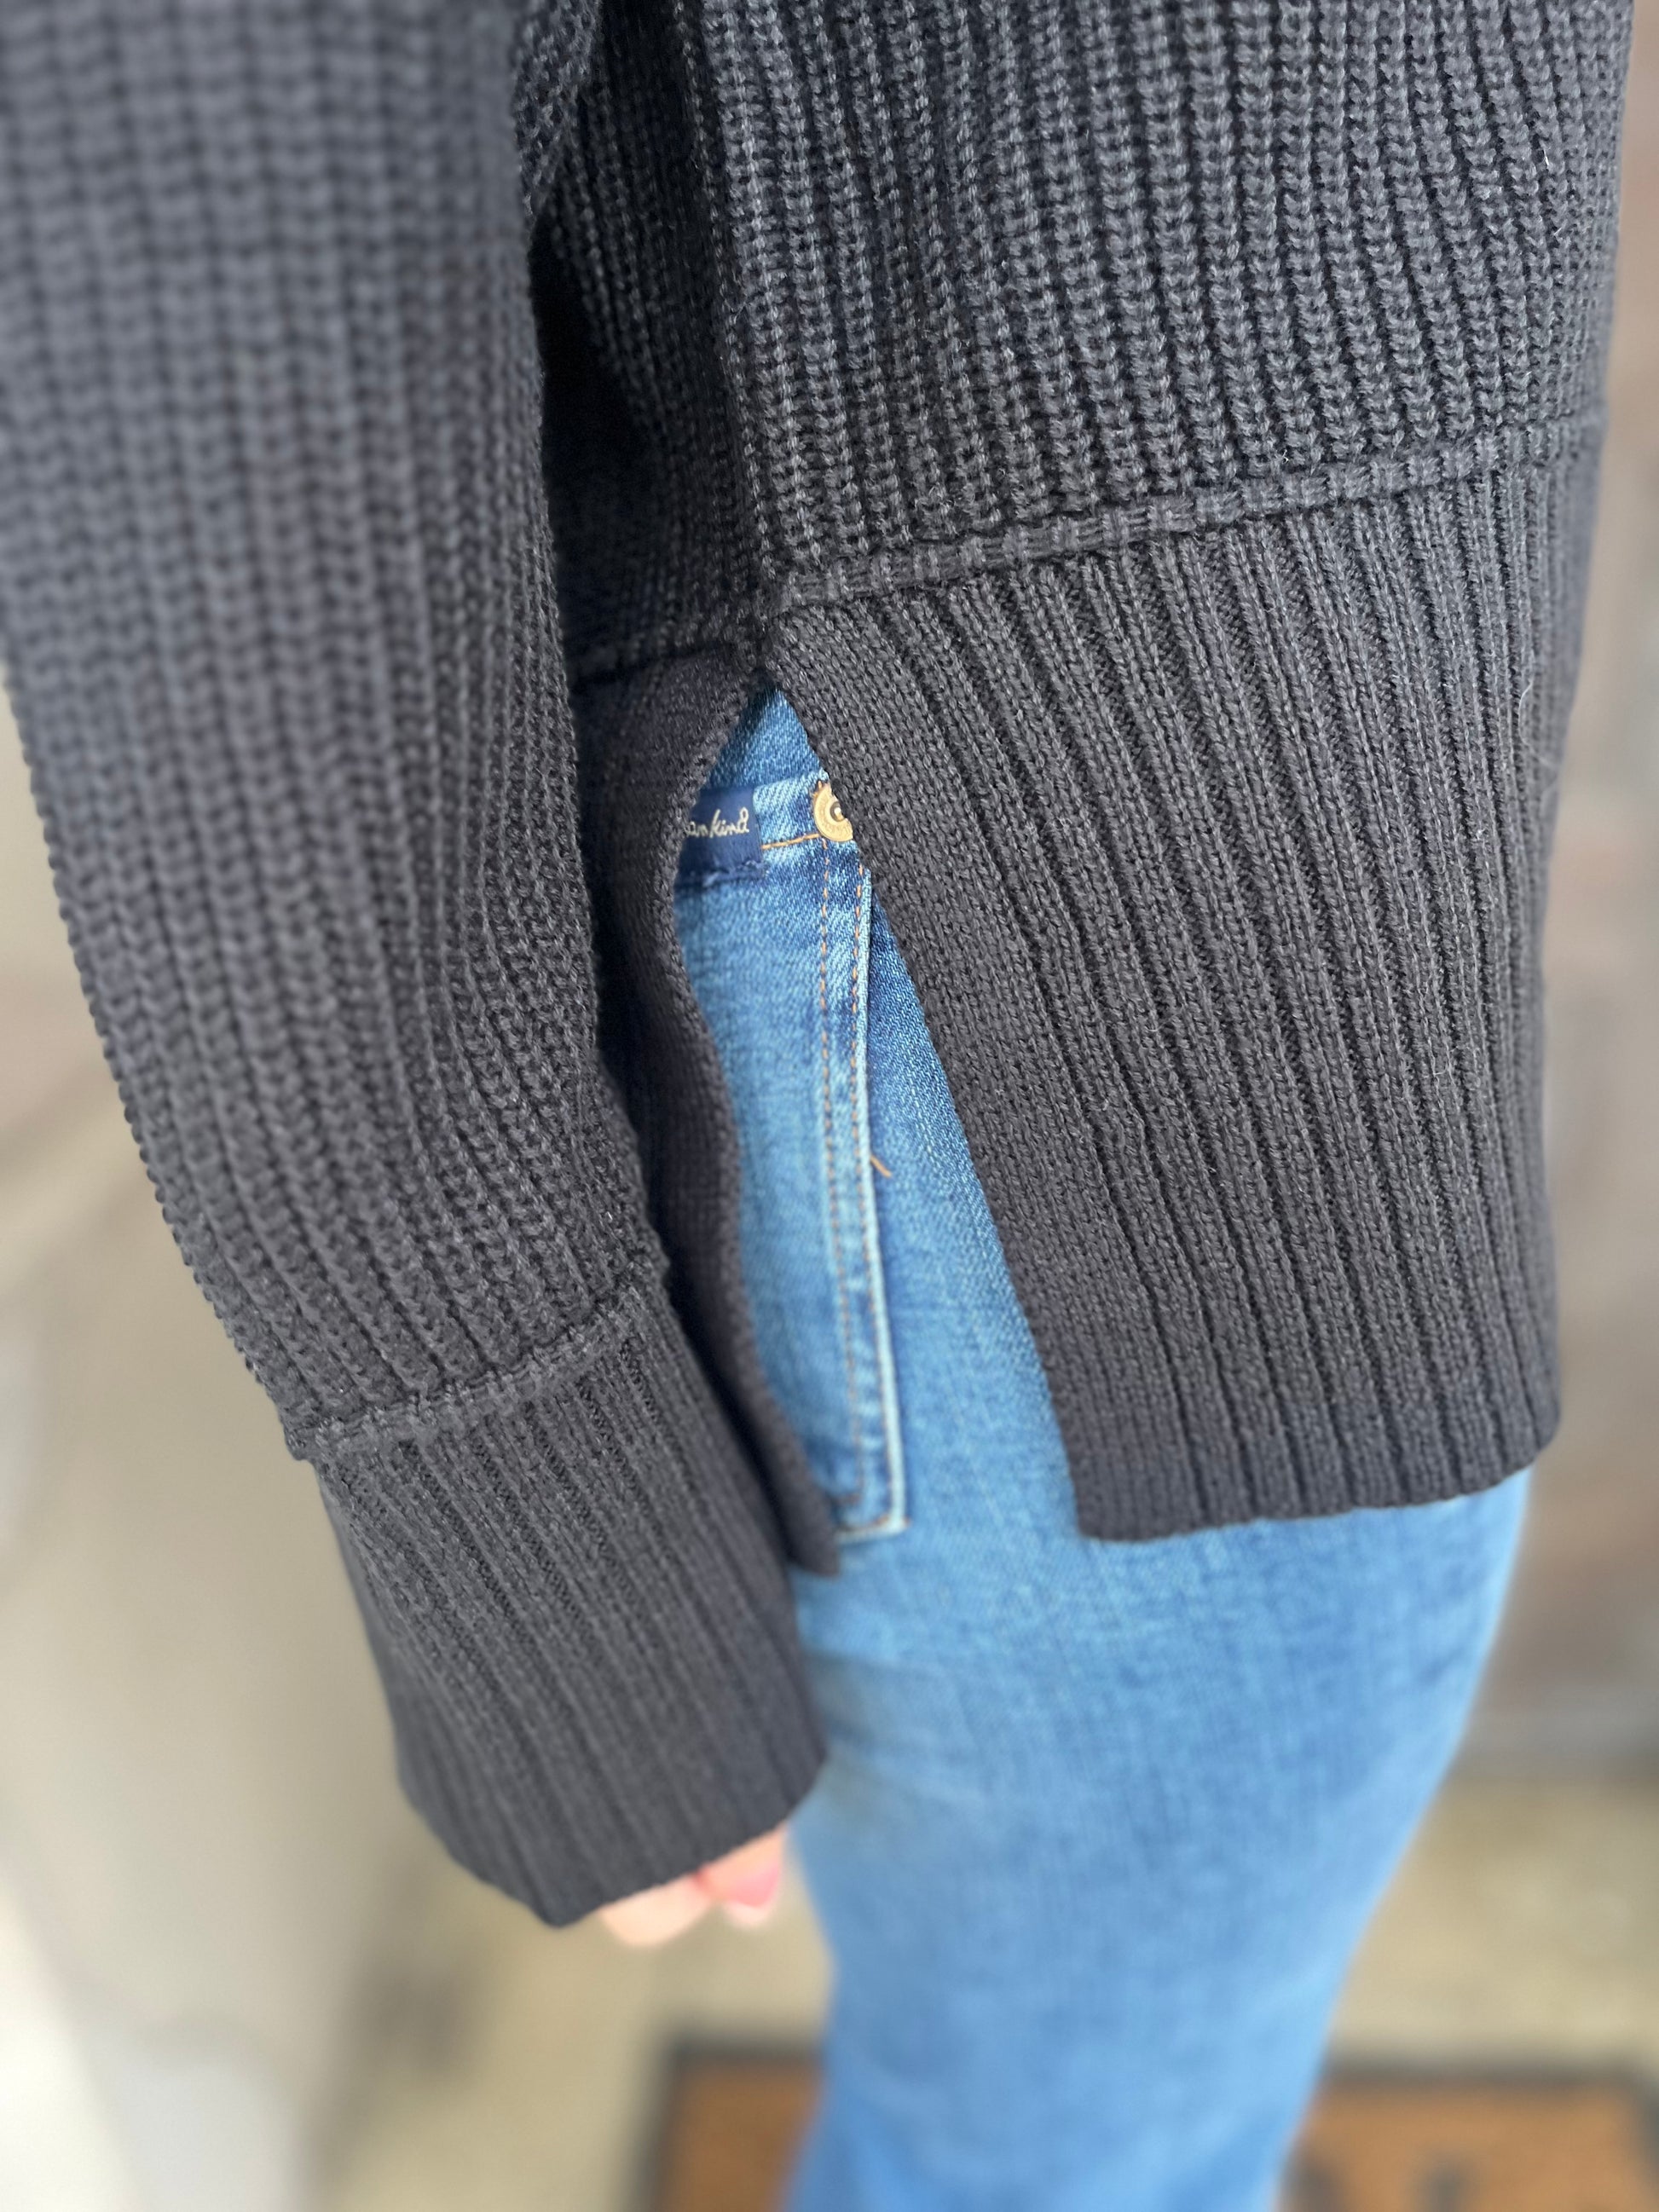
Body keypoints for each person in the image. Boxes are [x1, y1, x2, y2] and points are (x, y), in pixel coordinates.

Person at [0, 4, 1630, 2206]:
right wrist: (518, 1485)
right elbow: (197, 249)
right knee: (1077, 2161)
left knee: (1101, 2123)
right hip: (981, 891)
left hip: (1216, 806)